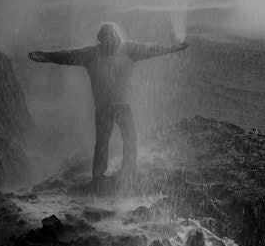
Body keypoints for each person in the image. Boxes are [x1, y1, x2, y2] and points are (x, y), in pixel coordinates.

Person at [28, 22, 188, 181]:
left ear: (116, 37)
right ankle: (99, 177)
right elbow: (67, 56)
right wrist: (45, 56)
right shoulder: (92, 54)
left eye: (112, 37)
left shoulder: (129, 49)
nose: (110, 41)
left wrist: (172, 48)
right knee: (104, 142)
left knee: (129, 137)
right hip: (104, 107)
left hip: (121, 105)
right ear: (101, 39)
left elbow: (152, 49)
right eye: (107, 38)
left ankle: (129, 171)